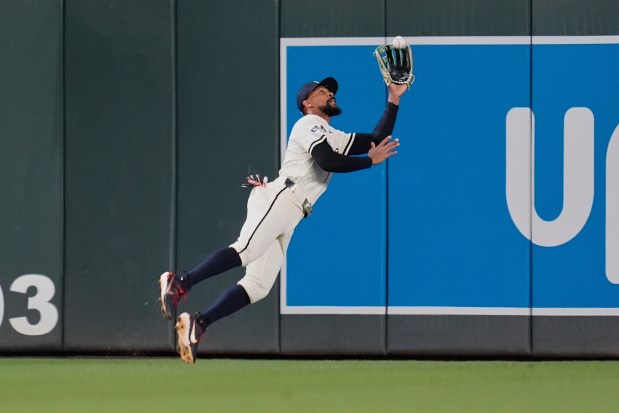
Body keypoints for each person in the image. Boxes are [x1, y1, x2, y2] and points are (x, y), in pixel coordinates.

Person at [159, 76, 408, 363]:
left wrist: (394, 97)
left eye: (330, 91)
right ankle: (179, 281)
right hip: (280, 197)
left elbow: (376, 138)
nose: (329, 93)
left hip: (292, 212)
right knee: (245, 249)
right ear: (307, 102)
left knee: (259, 285)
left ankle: (198, 323)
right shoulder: (308, 124)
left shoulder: (332, 133)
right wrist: (368, 161)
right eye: (322, 91)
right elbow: (329, 161)